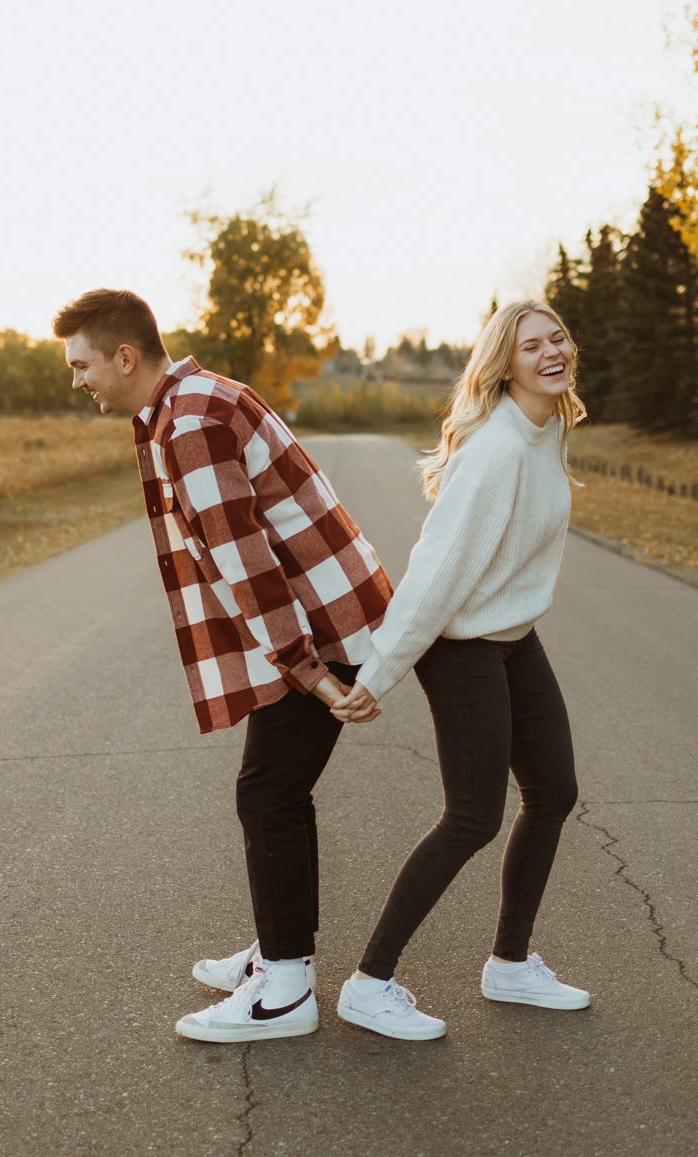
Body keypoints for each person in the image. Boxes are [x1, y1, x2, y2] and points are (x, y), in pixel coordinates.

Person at [52, 288, 392, 1044]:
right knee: (271, 789)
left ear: (125, 356)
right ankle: (278, 952)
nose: (78, 381)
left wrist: (311, 672)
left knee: (268, 795)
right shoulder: (198, 398)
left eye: (83, 365)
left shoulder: (192, 425)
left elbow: (249, 568)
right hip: (325, 614)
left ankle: (285, 985)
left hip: (318, 625)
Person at [331, 301, 590, 1041]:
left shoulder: (546, 429)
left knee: (554, 791)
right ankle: (368, 980)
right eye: (531, 344)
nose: (551, 351)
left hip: (512, 637)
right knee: (472, 816)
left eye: (558, 338)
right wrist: (378, 671)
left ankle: (510, 964)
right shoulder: (499, 449)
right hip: (463, 644)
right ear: (503, 364)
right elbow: (436, 574)